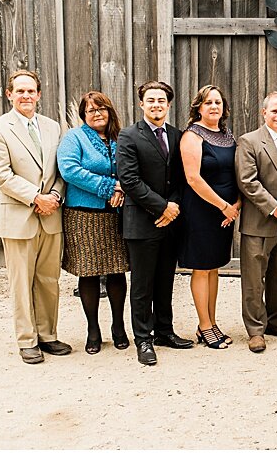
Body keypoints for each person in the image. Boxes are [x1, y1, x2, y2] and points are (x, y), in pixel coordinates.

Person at [0, 69, 71, 365]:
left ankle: (48, 335)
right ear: (9, 94)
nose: (25, 96)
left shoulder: (52, 127)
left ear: (39, 94)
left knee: (49, 279)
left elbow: (63, 169)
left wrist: (56, 197)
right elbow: (0, 174)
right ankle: (27, 340)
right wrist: (36, 197)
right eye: (19, 91)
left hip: (51, 215)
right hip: (19, 215)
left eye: (30, 91)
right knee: (21, 282)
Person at [117, 80, 193, 365]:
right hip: (141, 221)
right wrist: (162, 206)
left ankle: (164, 331)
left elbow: (182, 177)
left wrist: (172, 208)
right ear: (141, 103)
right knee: (142, 285)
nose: (156, 104)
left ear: (169, 105)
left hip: (170, 221)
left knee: (165, 281)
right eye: (151, 100)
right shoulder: (129, 136)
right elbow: (130, 180)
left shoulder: (177, 135)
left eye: (161, 100)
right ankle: (143, 338)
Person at [57, 91, 130, 354]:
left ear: (110, 111)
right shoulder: (74, 138)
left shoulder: (121, 138)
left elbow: (131, 170)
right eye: (91, 110)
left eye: (101, 109)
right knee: (88, 272)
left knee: (116, 270)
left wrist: (123, 191)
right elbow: (70, 170)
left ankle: (119, 326)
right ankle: (93, 329)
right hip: (84, 215)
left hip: (117, 215)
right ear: (83, 115)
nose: (97, 114)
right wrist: (110, 187)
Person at [234, 92, 277, 353]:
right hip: (259, 223)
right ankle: (255, 330)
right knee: (254, 279)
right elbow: (247, 181)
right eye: (274, 111)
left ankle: (276, 320)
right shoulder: (249, 141)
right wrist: (274, 208)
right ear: (264, 113)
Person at [178, 85, 239, 349]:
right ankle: (204, 325)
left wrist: (235, 205)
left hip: (226, 212)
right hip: (202, 210)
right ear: (198, 108)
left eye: (218, 102)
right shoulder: (192, 136)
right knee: (202, 269)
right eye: (208, 102)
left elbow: (236, 172)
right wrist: (223, 206)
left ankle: (212, 323)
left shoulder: (227, 134)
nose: (214, 106)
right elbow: (193, 178)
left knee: (214, 268)